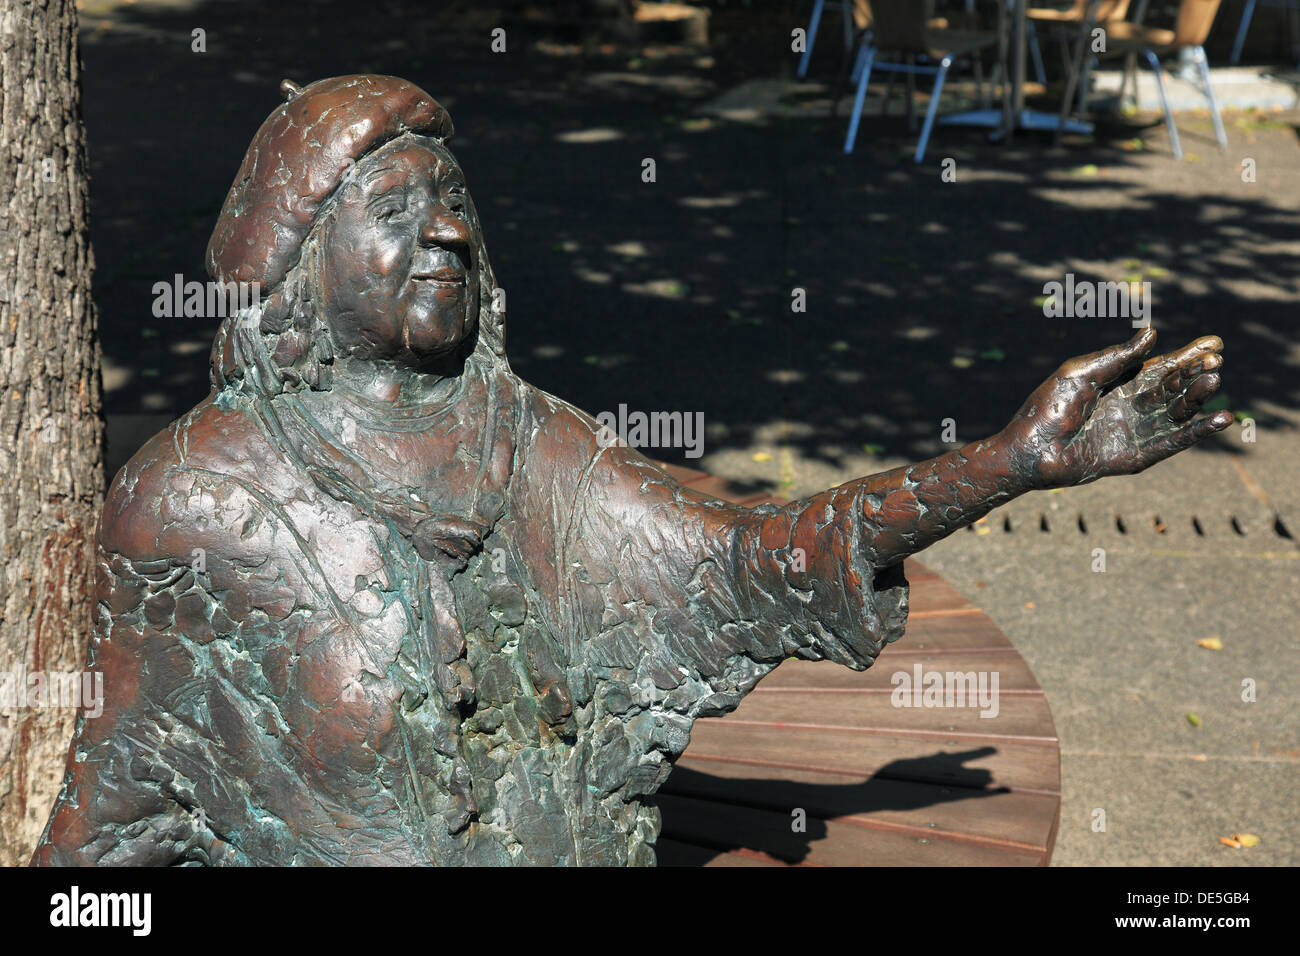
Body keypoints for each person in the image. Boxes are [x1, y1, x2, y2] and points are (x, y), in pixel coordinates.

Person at [32, 75, 1230, 866]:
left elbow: (743, 553)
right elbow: (107, 825)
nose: (445, 229)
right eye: (391, 207)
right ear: (296, 267)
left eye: (453, 200)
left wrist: (1003, 463)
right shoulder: (196, 503)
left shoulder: (532, 440)